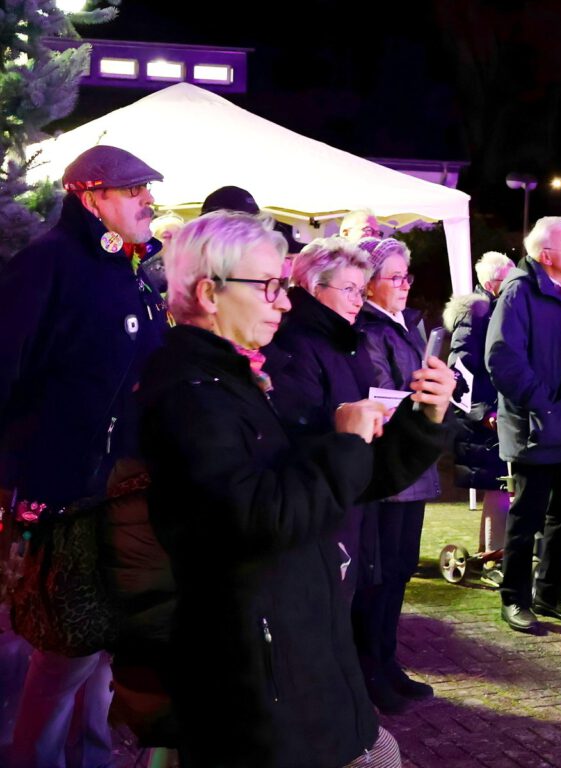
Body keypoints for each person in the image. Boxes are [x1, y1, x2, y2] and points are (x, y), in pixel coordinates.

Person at [139, 211, 453, 768]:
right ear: (211, 293)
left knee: (376, 753)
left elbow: (336, 481)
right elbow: (260, 515)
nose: (284, 302)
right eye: (270, 287)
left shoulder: (238, 376)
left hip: (290, 645)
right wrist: (346, 444)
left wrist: (421, 423)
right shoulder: (191, 395)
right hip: (257, 668)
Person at [0, 145, 168, 768]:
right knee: (63, 646)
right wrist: (18, 477)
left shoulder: (130, 271)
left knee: (103, 644)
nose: (147, 200)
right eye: (133, 191)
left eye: (146, 189)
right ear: (91, 198)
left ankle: (92, 757)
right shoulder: (45, 264)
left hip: (123, 490)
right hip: (64, 492)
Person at [485, 216, 561, 633]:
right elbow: (502, 358)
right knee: (527, 516)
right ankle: (515, 598)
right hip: (537, 424)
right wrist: (543, 406)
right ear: (546, 255)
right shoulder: (520, 293)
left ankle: (552, 592)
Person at [262, 237, 377, 603]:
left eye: (361, 290)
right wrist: (345, 429)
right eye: (349, 289)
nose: (359, 300)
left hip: (347, 485)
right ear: (313, 286)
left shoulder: (345, 338)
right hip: (320, 497)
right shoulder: (296, 341)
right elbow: (302, 423)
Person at [356, 236, 441, 713]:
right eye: (395, 277)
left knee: (401, 571)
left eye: (407, 276)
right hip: (388, 469)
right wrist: (419, 397)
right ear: (368, 284)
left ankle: (387, 661)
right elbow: (380, 390)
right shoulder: (371, 330)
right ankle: (370, 668)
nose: (405, 286)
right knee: (379, 575)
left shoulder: (406, 325)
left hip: (413, 463)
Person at [444, 251, 515, 564]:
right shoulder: (476, 312)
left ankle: (499, 552)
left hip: (501, 412)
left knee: (502, 485)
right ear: (493, 281)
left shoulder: (498, 308)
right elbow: (462, 366)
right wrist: (484, 412)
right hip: (486, 417)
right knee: (497, 487)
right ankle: (492, 555)